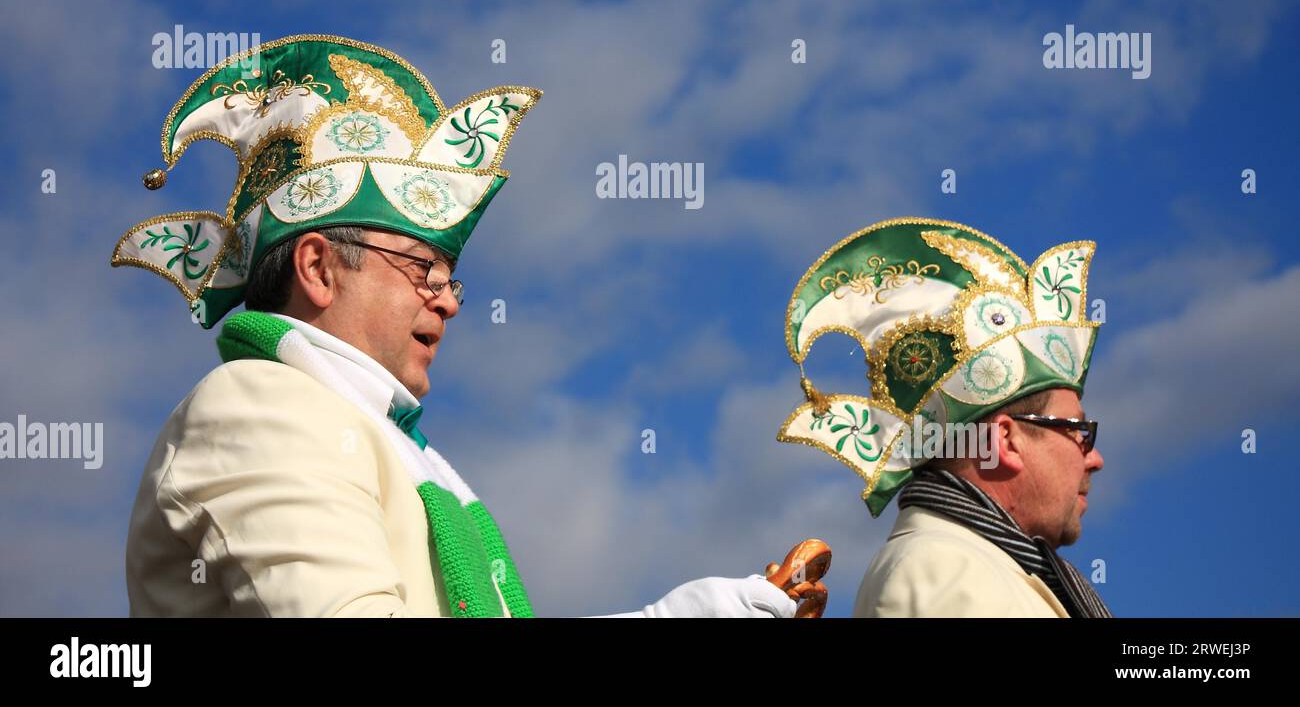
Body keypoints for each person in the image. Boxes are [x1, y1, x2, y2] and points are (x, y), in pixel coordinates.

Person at [115, 34, 796, 618]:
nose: (448, 301)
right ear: (319, 269)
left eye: (450, 279)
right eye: (422, 270)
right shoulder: (257, 409)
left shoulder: (407, 451)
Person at [775, 217, 1112, 617]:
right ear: (1006, 441)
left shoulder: (977, 567)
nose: (1094, 458)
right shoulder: (942, 570)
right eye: (1078, 431)